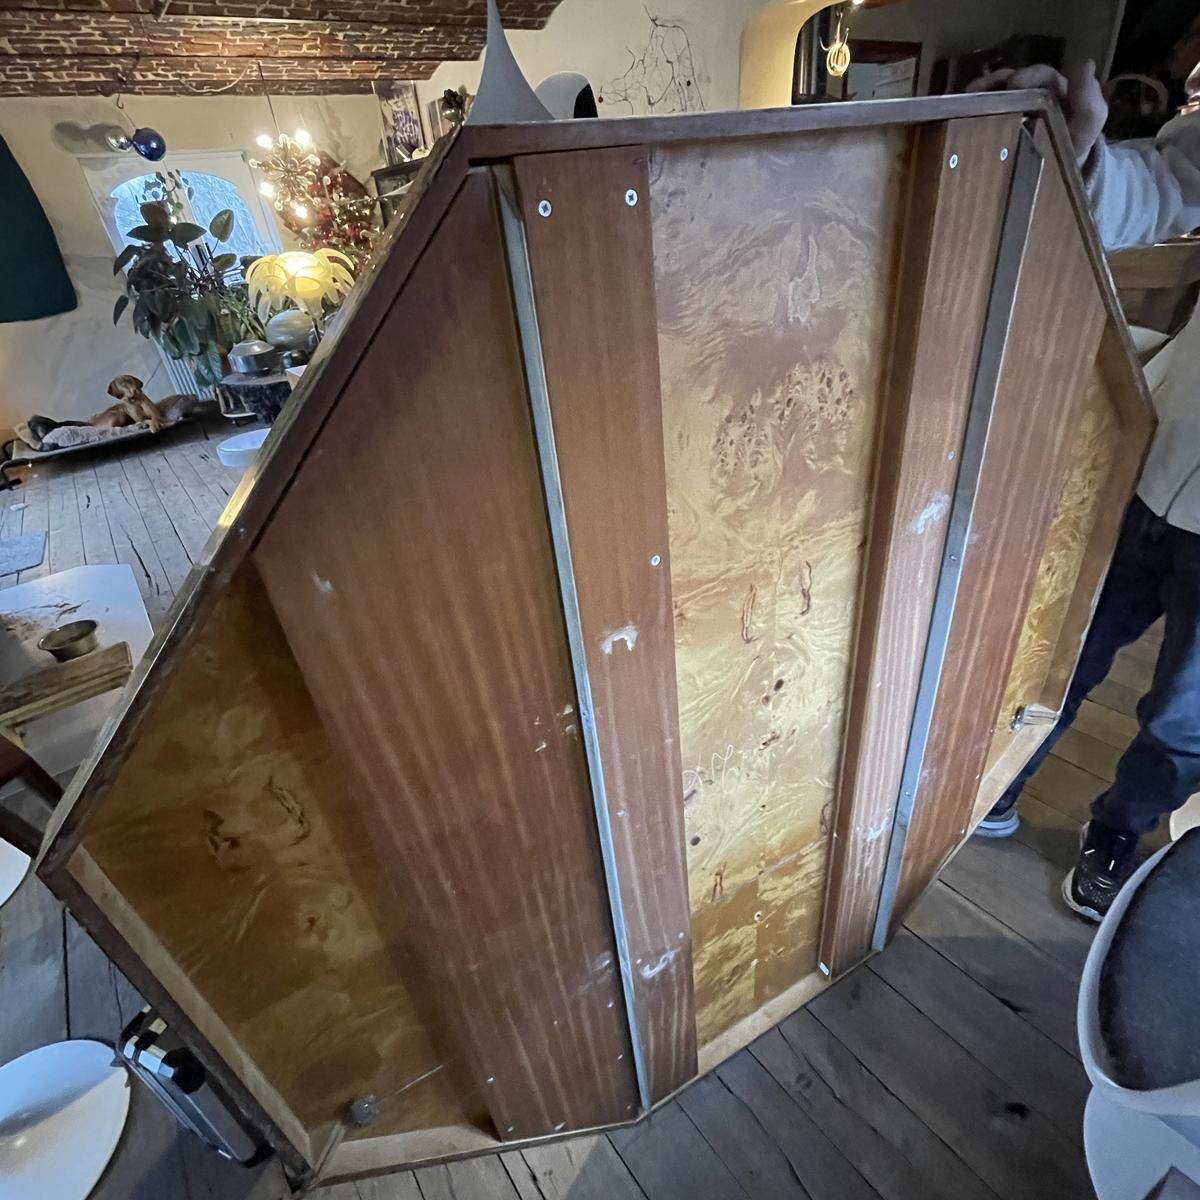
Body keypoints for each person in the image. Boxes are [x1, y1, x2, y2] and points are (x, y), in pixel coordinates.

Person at [967, 57, 1200, 921]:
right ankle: (997, 784)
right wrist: (1081, 155)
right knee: (1058, 653)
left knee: (1182, 716)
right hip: (1158, 457)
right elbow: (1169, 183)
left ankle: (1118, 831)